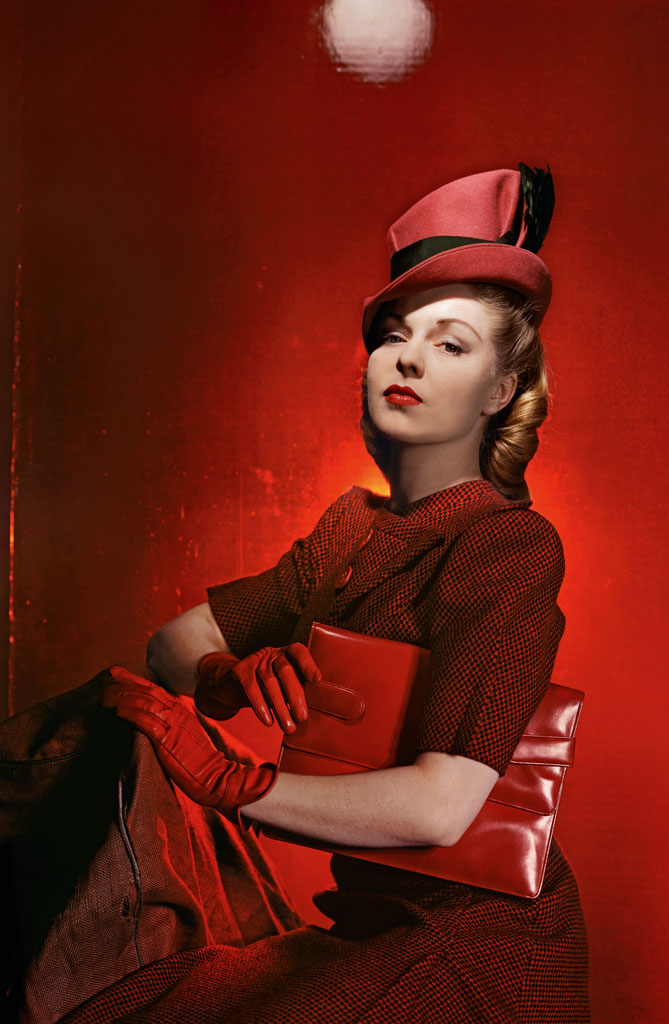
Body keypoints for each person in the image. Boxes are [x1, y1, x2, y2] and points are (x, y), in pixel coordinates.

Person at [2, 165, 589, 1024]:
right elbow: (174, 641)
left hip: (476, 950)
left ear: (498, 392)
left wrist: (236, 781)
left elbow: (440, 804)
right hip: (368, 926)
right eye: (395, 335)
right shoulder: (350, 531)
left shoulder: (506, 546)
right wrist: (226, 674)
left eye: (451, 343)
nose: (411, 358)